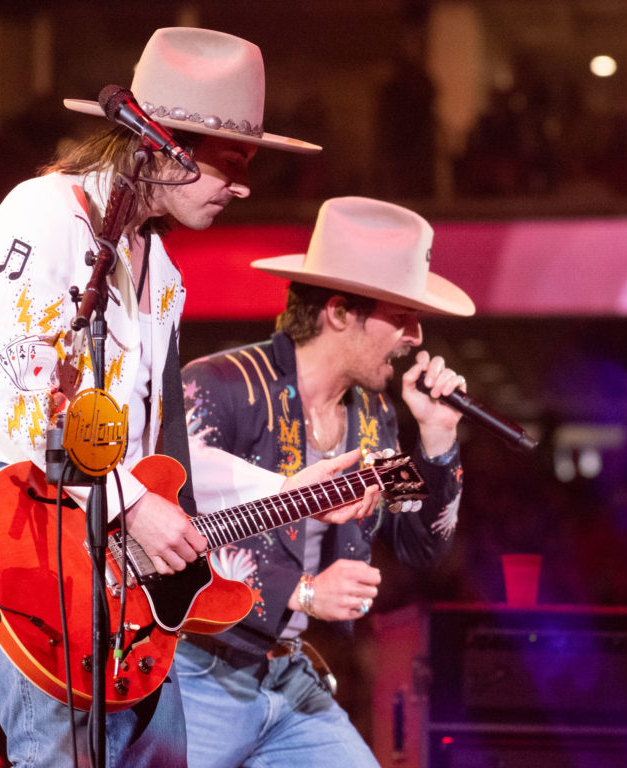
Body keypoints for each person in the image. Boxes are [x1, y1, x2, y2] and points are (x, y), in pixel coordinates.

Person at [0, 28, 375, 768]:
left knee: (159, 754)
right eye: (230, 162)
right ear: (162, 144)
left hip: (112, 554)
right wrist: (133, 499)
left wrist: (284, 492)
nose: (242, 186)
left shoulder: (162, 272)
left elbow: (153, 459)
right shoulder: (45, 212)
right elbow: (26, 386)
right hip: (23, 526)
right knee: (58, 754)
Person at [177, 196, 475, 767]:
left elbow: (421, 544)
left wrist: (436, 438)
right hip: (198, 670)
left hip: (288, 676)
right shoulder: (218, 387)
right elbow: (167, 533)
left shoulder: (375, 415)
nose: (414, 335)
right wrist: (302, 591)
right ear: (340, 312)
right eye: (401, 315)